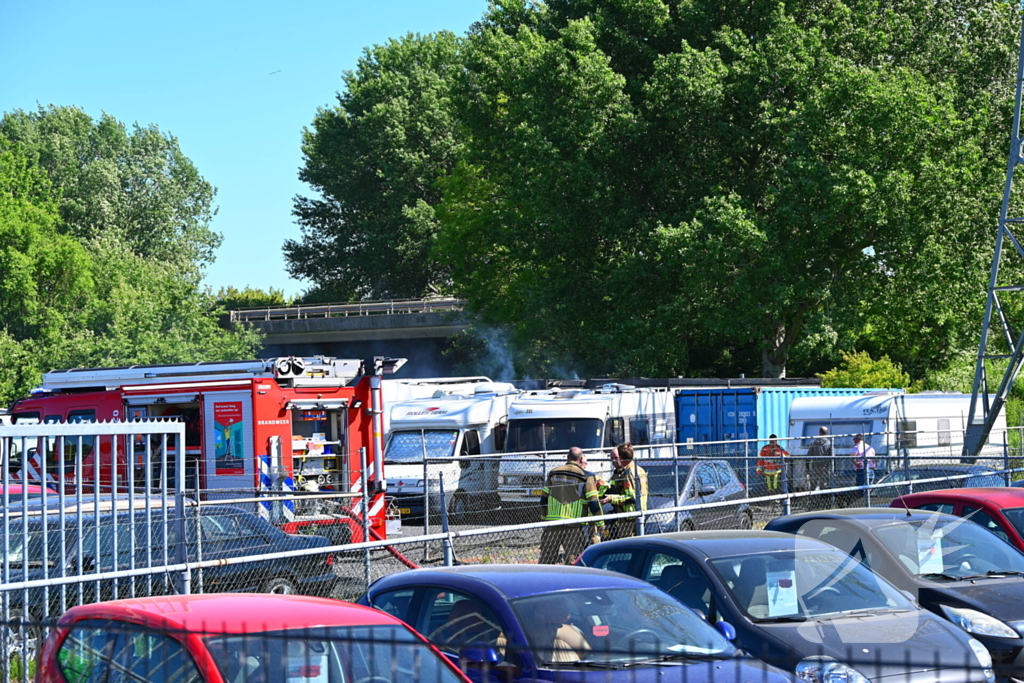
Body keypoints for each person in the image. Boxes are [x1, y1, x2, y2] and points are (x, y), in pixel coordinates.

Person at [538, 447, 604, 564]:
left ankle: (543, 581)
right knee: (573, 561)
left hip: (552, 523)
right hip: (574, 525)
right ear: (581, 459)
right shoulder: (585, 476)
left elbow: (544, 499)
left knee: (546, 560)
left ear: (567, 457)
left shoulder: (553, 473)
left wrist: (544, 520)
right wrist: (600, 523)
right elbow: (593, 502)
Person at [600, 443, 648, 540]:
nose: (613, 461)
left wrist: (611, 499)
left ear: (621, 457)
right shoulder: (639, 469)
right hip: (639, 512)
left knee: (627, 542)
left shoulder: (628, 473)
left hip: (629, 515)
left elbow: (631, 497)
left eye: (616, 457)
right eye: (611, 458)